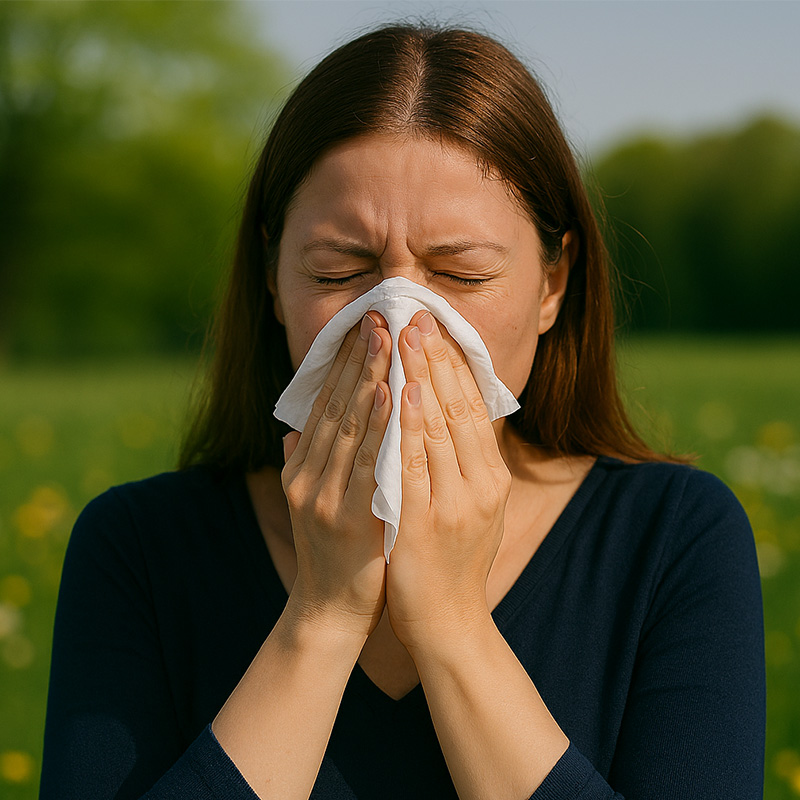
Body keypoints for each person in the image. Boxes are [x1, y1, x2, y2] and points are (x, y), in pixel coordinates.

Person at [40, 24, 765, 800]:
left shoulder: (672, 538)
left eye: (461, 273)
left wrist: (452, 624)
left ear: (554, 285)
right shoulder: (138, 550)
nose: (399, 320)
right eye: (341, 269)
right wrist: (323, 613)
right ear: (272, 279)